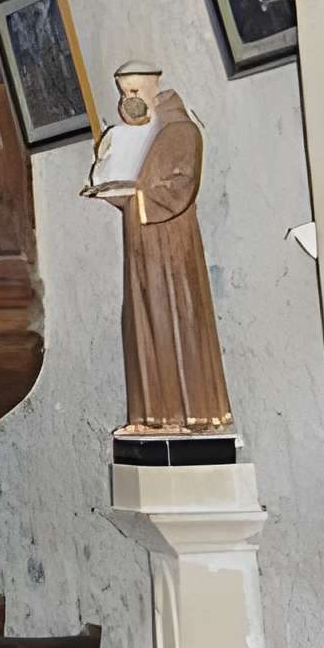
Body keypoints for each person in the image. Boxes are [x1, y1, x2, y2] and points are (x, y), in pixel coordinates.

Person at [81, 64, 233, 432]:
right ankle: (152, 416)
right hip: (140, 238)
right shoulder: (132, 135)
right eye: (123, 93)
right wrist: (113, 189)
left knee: (175, 317)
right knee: (143, 322)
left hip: (172, 241)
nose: (128, 100)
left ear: (154, 87)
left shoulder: (180, 130)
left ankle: (189, 414)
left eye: (134, 90)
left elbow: (182, 185)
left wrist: (139, 197)